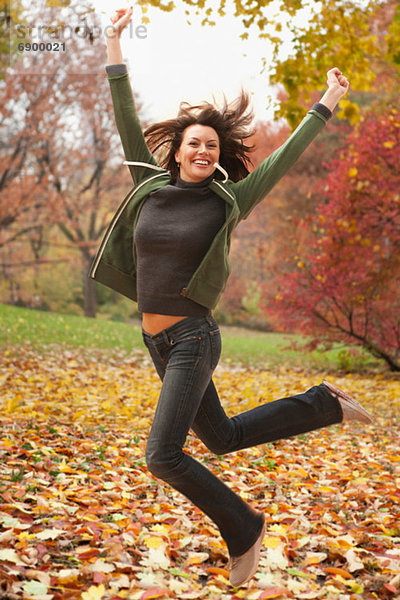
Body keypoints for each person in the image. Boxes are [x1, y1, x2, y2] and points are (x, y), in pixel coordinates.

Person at [90, 7, 373, 587]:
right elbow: (123, 114)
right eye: (195, 144)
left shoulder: (228, 201)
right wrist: (114, 44)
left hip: (195, 337)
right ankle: (322, 405)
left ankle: (243, 528)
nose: (203, 152)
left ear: (218, 155)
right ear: (176, 151)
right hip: (156, 341)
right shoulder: (147, 185)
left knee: (162, 456)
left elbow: (281, 159)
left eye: (212, 147)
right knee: (222, 438)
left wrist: (325, 104)